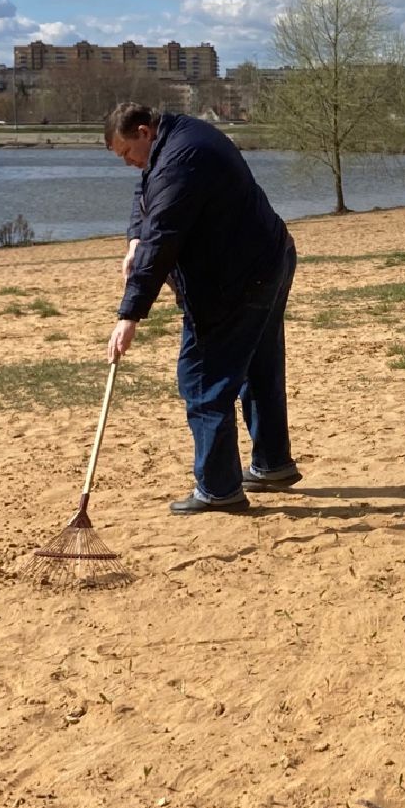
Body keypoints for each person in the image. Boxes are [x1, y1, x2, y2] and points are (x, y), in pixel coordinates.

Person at [104, 102, 301, 513]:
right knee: (259, 366)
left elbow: (164, 236)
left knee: (201, 376)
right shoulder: (175, 139)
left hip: (237, 279)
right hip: (269, 258)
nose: (128, 164)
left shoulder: (181, 159)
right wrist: (133, 241)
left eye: (127, 153)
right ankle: (272, 464)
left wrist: (129, 316)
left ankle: (218, 488)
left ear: (143, 132)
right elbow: (146, 193)